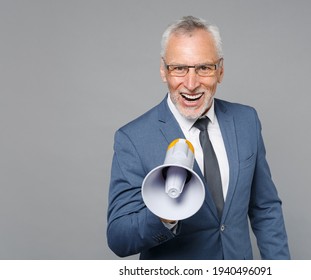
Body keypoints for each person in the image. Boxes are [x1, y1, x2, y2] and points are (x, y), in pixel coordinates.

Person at [107, 16, 290, 260]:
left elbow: (265, 209)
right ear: (164, 71)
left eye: (203, 68)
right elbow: (119, 238)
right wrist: (164, 215)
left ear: (220, 70)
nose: (191, 84)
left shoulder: (246, 121)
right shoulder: (133, 138)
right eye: (179, 68)